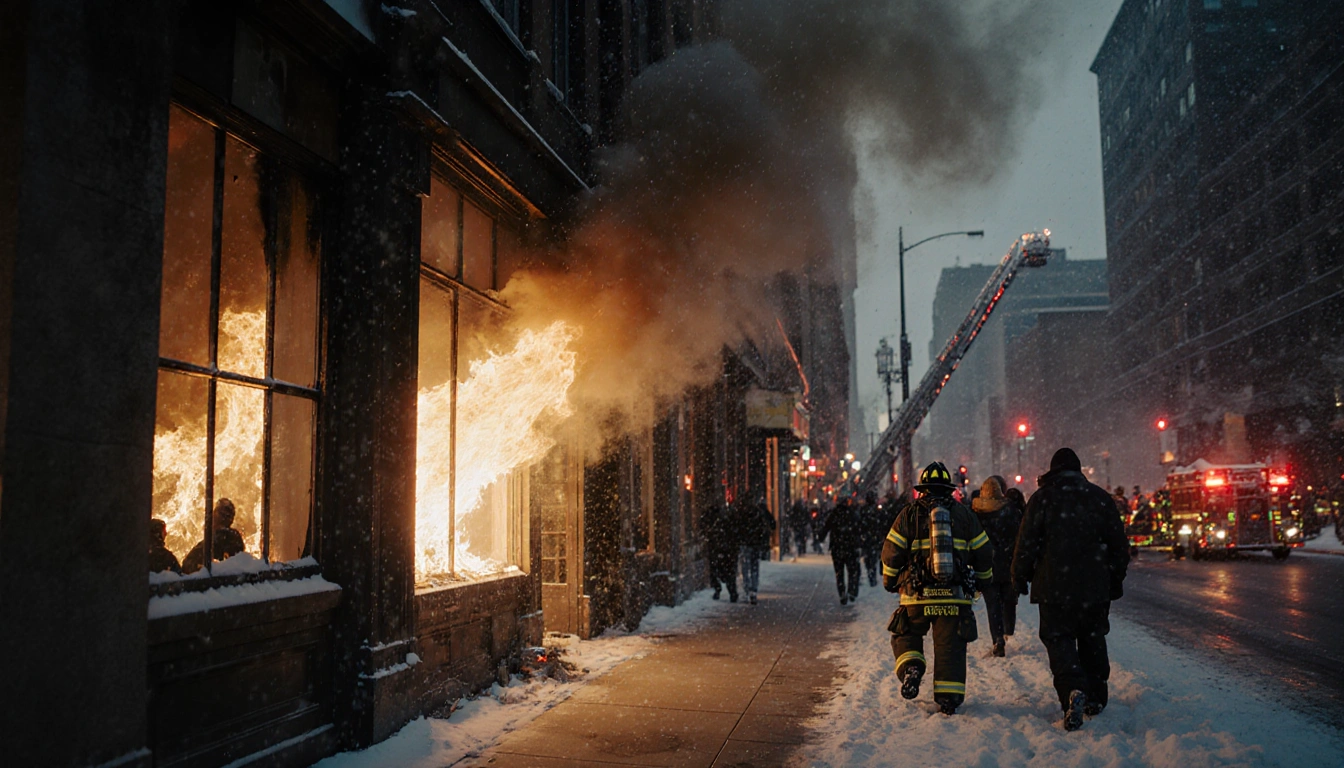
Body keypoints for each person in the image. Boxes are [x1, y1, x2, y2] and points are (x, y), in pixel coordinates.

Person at [1013, 448, 1130, 731]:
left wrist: (1020, 577)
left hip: (1054, 589)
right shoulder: (1101, 498)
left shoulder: (1041, 499)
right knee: (1092, 639)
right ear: (1079, 471)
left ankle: (1072, 691)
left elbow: (1026, 543)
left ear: (1053, 471)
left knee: (1059, 640)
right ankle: (1095, 697)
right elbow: (1119, 547)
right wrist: (1114, 580)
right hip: (1094, 588)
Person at [882, 462, 994, 715]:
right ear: (949, 489)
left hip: (916, 595)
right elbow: (984, 552)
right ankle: (948, 699)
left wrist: (890, 581)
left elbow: (891, 553)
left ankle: (911, 666)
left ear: (922, 489)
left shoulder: (908, 515)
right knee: (950, 647)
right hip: (954, 597)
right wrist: (983, 580)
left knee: (905, 633)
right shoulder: (965, 516)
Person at [971, 476, 1023, 657]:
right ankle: (1009, 628)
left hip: (987, 565)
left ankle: (997, 639)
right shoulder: (1010, 510)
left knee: (992, 604)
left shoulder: (976, 512)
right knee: (1009, 599)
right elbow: (1019, 535)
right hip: (1009, 563)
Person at [182, 498, 246, 574]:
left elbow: (187, 565)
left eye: (215, 513)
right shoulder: (232, 537)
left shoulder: (219, 539)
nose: (211, 517)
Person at [819, 496, 863, 604]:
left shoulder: (834, 514)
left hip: (837, 548)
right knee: (852, 571)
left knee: (839, 573)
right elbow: (859, 528)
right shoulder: (852, 514)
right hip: (850, 547)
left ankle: (842, 593)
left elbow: (826, 527)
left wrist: (821, 538)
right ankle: (851, 590)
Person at [734, 497, 775, 605]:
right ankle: (753, 590)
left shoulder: (741, 515)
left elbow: (738, 529)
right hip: (755, 544)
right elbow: (769, 526)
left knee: (746, 567)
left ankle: (747, 590)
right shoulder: (759, 514)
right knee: (754, 568)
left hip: (746, 544)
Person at [700, 503, 739, 602]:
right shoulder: (727, 520)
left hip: (717, 549)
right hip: (727, 550)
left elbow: (704, 532)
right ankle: (732, 591)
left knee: (715, 570)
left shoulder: (711, 521)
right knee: (728, 572)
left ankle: (718, 589)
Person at [859, 492, 885, 587]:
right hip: (874, 538)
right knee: (874, 558)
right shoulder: (877, 510)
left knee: (869, 558)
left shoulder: (864, 510)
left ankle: (871, 574)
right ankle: (873, 574)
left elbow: (860, 524)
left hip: (868, 539)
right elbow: (883, 523)